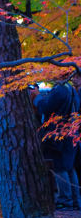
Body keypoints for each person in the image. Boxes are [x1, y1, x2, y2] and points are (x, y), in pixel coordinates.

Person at [33, 82, 81, 210]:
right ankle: (76, 201)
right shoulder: (72, 89)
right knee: (69, 167)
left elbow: (45, 107)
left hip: (58, 136)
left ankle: (65, 200)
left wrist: (37, 96)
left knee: (59, 167)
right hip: (71, 134)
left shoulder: (60, 89)